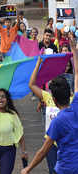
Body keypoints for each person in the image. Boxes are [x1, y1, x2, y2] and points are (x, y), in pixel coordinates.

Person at [21, 35, 78, 174]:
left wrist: (28, 168)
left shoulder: (57, 122)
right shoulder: (76, 103)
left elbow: (42, 151)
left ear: (54, 98)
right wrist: (73, 49)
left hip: (65, 168)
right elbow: (77, 74)